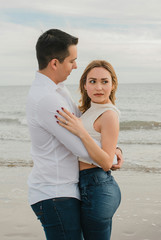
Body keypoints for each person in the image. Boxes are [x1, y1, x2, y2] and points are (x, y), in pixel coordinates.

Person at [26, 29, 123, 240]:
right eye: (72, 61)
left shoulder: (59, 91)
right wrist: (111, 157)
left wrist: (113, 148)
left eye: (105, 82)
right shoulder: (47, 99)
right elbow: (82, 149)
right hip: (55, 192)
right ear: (54, 63)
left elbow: (87, 128)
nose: (75, 66)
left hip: (66, 189)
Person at [56, 60, 121, 240]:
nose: (98, 87)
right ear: (84, 85)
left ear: (113, 84)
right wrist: (117, 149)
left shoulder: (109, 114)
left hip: (97, 187)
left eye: (104, 81)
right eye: (92, 81)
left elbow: (107, 163)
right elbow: (104, 142)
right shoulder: (88, 111)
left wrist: (81, 132)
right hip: (87, 185)